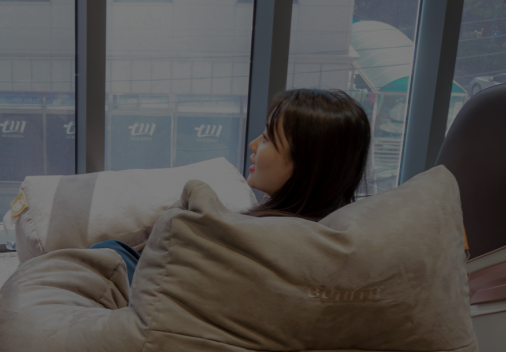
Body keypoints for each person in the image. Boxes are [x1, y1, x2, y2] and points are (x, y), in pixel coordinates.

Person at [91, 88, 371, 283]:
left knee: (108, 252)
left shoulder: (254, 238)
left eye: (267, 138)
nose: (253, 145)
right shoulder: (341, 235)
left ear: (305, 162)